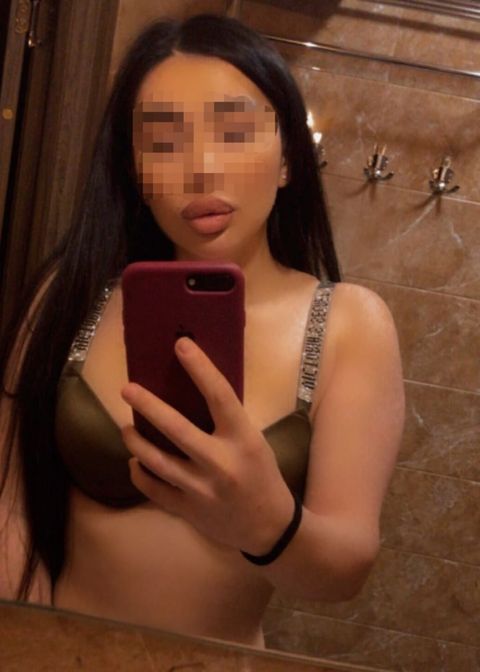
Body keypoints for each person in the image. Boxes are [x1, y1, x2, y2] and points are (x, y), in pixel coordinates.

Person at [0, 13, 405, 647]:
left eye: (235, 132)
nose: (202, 169)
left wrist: (267, 522)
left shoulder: (350, 325)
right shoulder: (71, 294)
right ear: (134, 172)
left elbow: (346, 568)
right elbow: (9, 504)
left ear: (288, 159)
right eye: (163, 143)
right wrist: (31, 641)